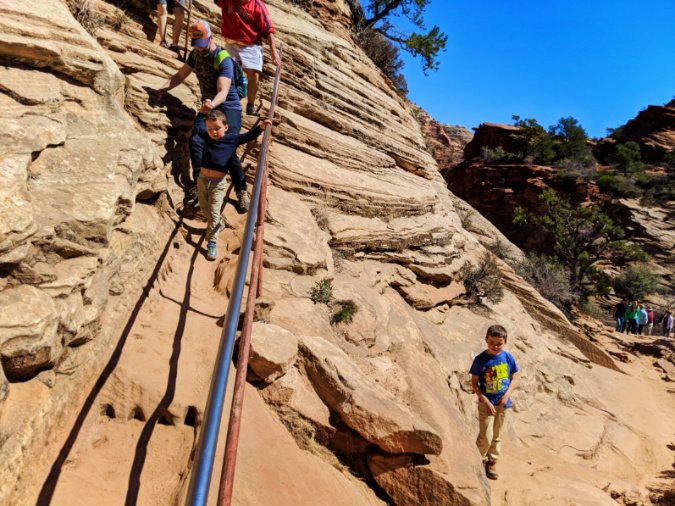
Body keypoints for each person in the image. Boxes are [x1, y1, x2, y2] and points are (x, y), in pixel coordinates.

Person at [152, 20, 250, 213]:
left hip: (228, 106)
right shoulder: (196, 54)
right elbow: (179, 76)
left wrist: (211, 104)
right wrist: (161, 90)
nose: (199, 48)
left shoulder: (223, 58)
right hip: (209, 105)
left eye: (202, 44)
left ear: (210, 38)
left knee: (226, 145)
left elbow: (223, 91)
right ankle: (200, 185)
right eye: (196, 45)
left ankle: (241, 190)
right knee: (197, 140)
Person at [194, 110, 271, 260]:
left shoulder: (231, 139)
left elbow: (246, 137)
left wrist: (261, 127)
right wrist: (201, 114)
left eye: (217, 128)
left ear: (226, 127)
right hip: (202, 180)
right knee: (204, 209)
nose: (213, 132)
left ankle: (212, 243)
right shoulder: (206, 135)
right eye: (210, 128)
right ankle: (220, 223)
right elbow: (198, 127)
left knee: (214, 212)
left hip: (218, 184)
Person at [469, 324, 519, 481]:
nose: (495, 346)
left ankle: (491, 462)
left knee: (496, 435)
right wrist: (484, 400)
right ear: (486, 339)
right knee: (486, 436)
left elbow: (515, 378)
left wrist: (507, 395)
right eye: (492, 342)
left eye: (499, 343)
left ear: (504, 342)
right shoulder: (480, 360)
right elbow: (474, 384)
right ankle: (478, 460)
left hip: (503, 403)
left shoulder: (507, 357)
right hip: (486, 404)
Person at [215, 0, 280, 115]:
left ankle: (250, 106)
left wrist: (273, 51)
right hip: (231, 43)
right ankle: (230, 102)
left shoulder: (257, 5)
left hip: (251, 44)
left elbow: (268, 29)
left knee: (253, 75)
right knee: (229, 73)